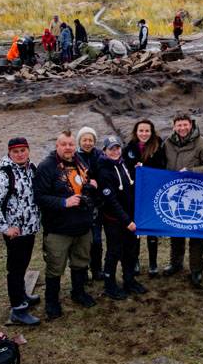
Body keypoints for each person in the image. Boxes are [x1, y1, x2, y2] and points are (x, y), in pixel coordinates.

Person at [33, 131, 98, 320]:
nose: (68, 148)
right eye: (64, 144)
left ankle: (78, 293)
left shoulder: (80, 162)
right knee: (55, 267)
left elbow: (86, 183)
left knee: (80, 262)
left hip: (82, 225)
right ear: (57, 146)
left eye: (71, 144)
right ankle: (52, 302)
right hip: (58, 228)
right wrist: (63, 203)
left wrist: (91, 187)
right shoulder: (47, 166)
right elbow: (39, 197)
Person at [0, 137, 42, 326]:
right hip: (15, 232)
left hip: (30, 228)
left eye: (23, 150)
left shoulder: (31, 169)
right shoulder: (4, 175)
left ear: (28, 151)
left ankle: (22, 294)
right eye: (16, 151)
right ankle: (18, 309)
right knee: (15, 270)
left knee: (23, 264)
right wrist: (4, 228)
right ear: (9, 153)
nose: (20, 154)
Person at [162, 112, 203, 288]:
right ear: (174, 126)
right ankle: (176, 263)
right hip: (174, 194)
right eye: (178, 125)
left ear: (191, 125)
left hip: (195, 196)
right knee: (176, 231)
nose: (182, 128)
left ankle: (196, 270)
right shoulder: (167, 144)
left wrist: (192, 171)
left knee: (196, 235)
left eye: (185, 124)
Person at [97, 135, 148, 300]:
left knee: (131, 251)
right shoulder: (103, 170)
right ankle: (110, 285)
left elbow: (127, 183)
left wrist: (136, 170)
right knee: (114, 252)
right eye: (111, 148)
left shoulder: (123, 163)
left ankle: (129, 280)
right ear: (104, 151)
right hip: (115, 220)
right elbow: (111, 200)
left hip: (131, 218)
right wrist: (127, 221)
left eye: (117, 147)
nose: (115, 151)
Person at [123, 119, 167, 277]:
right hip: (135, 194)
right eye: (141, 130)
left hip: (152, 194)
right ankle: (135, 261)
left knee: (151, 228)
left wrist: (146, 169)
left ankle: (153, 263)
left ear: (152, 131)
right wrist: (134, 170)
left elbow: (163, 167)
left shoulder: (159, 146)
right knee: (136, 228)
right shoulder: (128, 148)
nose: (144, 133)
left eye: (147, 130)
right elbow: (124, 168)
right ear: (136, 132)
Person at [76, 126, 104, 281]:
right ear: (79, 141)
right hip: (80, 205)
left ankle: (97, 269)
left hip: (97, 204)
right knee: (83, 241)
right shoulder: (74, 157)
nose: (87, 143)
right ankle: (83, 271)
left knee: (97, 240)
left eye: (90, 140)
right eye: (84, 140)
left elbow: (106, 175)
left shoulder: (100, 155)